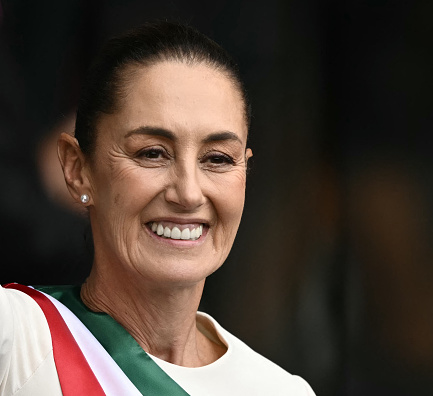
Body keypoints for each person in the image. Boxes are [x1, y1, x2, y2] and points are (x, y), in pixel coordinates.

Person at [0, 20, 315, 396]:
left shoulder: (282, 390)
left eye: (217, 158)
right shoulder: (17, 340)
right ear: (77, 168)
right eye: (152, 153)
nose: (188, 193)